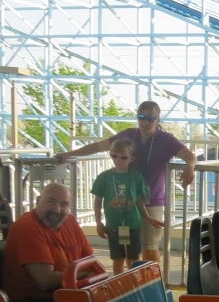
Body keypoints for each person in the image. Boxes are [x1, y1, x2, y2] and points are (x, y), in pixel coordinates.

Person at [57, 101, 196, 266]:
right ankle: (132, 284)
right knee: (128, 250)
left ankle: (154, 284)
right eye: (141, 117)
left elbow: (190, 156)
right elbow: (98, 146)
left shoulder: (166, 139)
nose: (145, 122)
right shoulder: (129, 135)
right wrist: (70, 154)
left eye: (150, 118)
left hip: (152, 200)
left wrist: (190, 167)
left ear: (158, 120)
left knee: (149, 248)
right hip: (126, 203)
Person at [3, 183, 93, 302]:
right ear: (37, 202)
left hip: (60, 296)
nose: (57, 210)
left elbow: (91, 263)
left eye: (64, 204)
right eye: (50, 202)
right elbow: (44, 280)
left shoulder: (69, 222)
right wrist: (81, 275)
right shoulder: (27, 228)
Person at [92, 139, 162, 274]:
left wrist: (147, 217)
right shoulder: (104, 177)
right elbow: (97, 201)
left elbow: (139, 200)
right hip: (113, 224)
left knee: (134, 258)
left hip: (133, 223)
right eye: (114, 156)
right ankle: (118, 285)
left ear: (131, 159)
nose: (118, 160)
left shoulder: (136, 177)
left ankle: (133, 284)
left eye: (123, 157)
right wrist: (99, 222)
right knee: (117, 258)